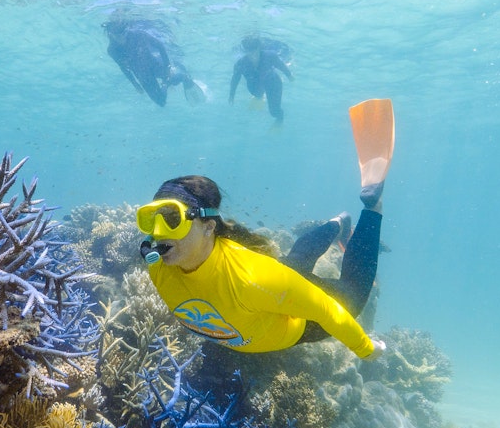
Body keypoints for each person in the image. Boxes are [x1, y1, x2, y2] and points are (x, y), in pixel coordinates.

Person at [136, 99, 395, 359]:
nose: (158, 233)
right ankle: (337, 223)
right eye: (150, 219)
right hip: (272, 290)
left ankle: (372, 208)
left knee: (354, 295)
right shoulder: (159, 267)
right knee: (293, 263)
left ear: (208, 227)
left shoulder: (253, 279)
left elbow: (326, 310)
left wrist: (365, 348)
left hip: (296, 323)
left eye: (172, 219)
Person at [104, 17, 206, 107]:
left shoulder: (138, 34)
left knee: (174, 80)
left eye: (124, 33)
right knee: (161, 102)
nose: (123, 38)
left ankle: (184, 77)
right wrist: (135, 84)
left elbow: (160, 45)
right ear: (110, 34)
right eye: (118, 36)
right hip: (142, 74)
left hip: (155, 64)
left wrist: (168, 66)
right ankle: (167, 83)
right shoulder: (112, 50)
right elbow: (123, 68)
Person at [228, 35, 294, 122]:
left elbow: (281, 66)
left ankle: (279, 119)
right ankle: (259, 96)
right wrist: (232, 94)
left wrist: (289, 75)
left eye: (255, 52)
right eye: (250, 53)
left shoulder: (270, 56)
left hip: (272, 81)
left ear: (259, 49)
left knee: (274, 111)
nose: (253, 56)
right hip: (255, 83)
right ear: (246, 52)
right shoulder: (240, 64)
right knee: (255, 92)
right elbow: (235, 79)